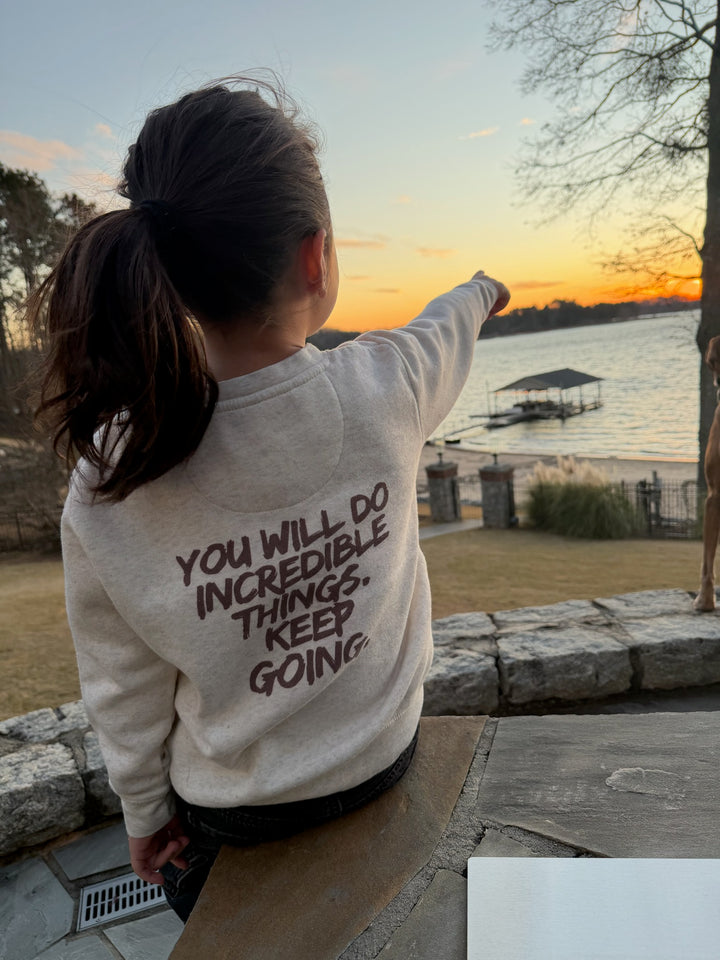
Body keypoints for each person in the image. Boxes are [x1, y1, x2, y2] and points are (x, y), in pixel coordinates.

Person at [29, 78, 510, 922]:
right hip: (381, 760)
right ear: (316, 255)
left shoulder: (114, 476)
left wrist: (144, 817)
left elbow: (121, 682)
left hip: (232, 818)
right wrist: (482, 289)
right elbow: (448, 326)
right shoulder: (385, 386)